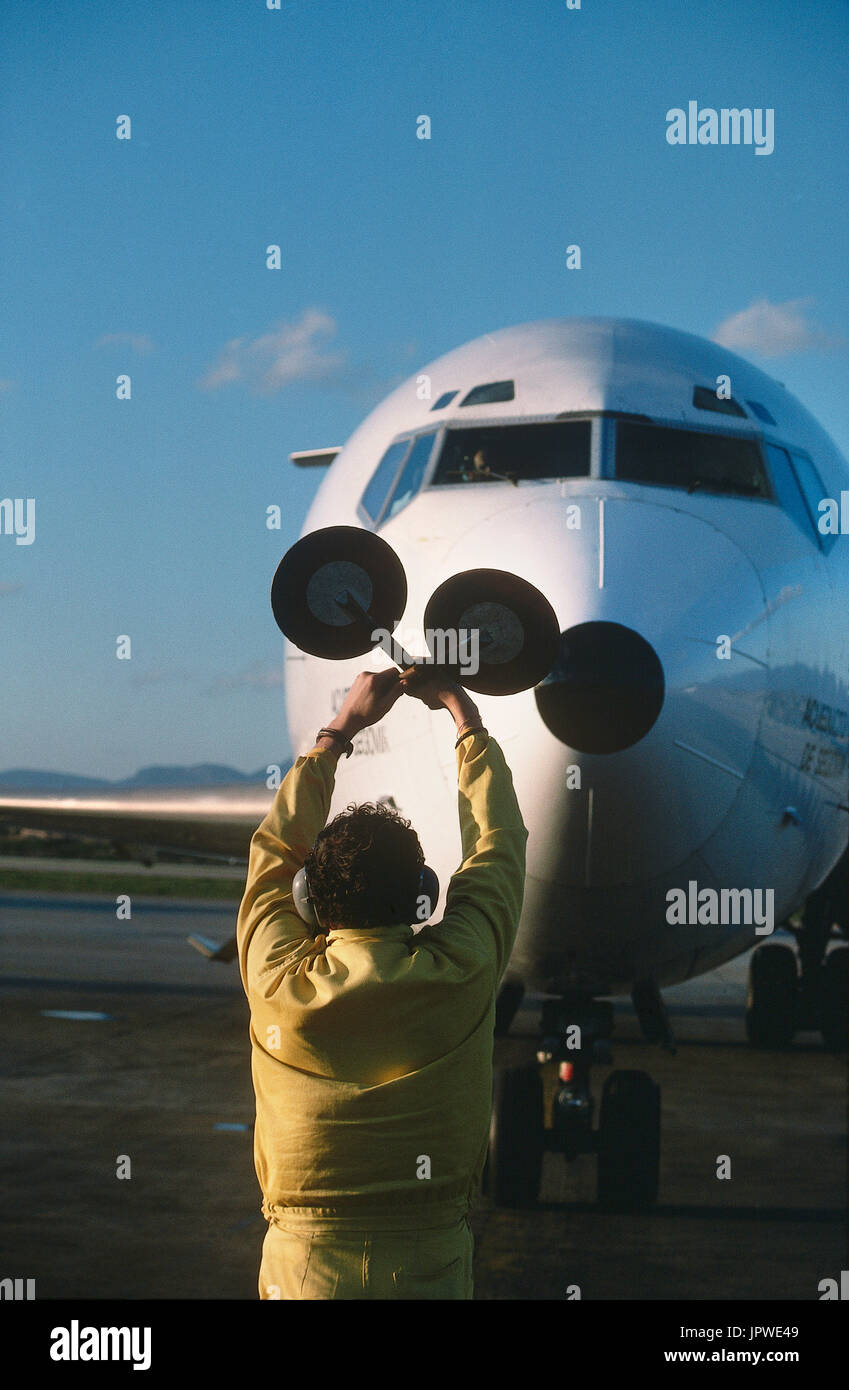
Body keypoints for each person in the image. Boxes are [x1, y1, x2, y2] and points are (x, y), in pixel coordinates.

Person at [236, 664, 528, 1299]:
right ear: (423, 895)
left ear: (309, 901)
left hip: (304, 1270)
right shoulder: (464, 969)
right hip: (431, 1267)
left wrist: (341, 729)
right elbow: (497, 848)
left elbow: (273, 855)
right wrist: (462, 714)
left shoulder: (277, 978)